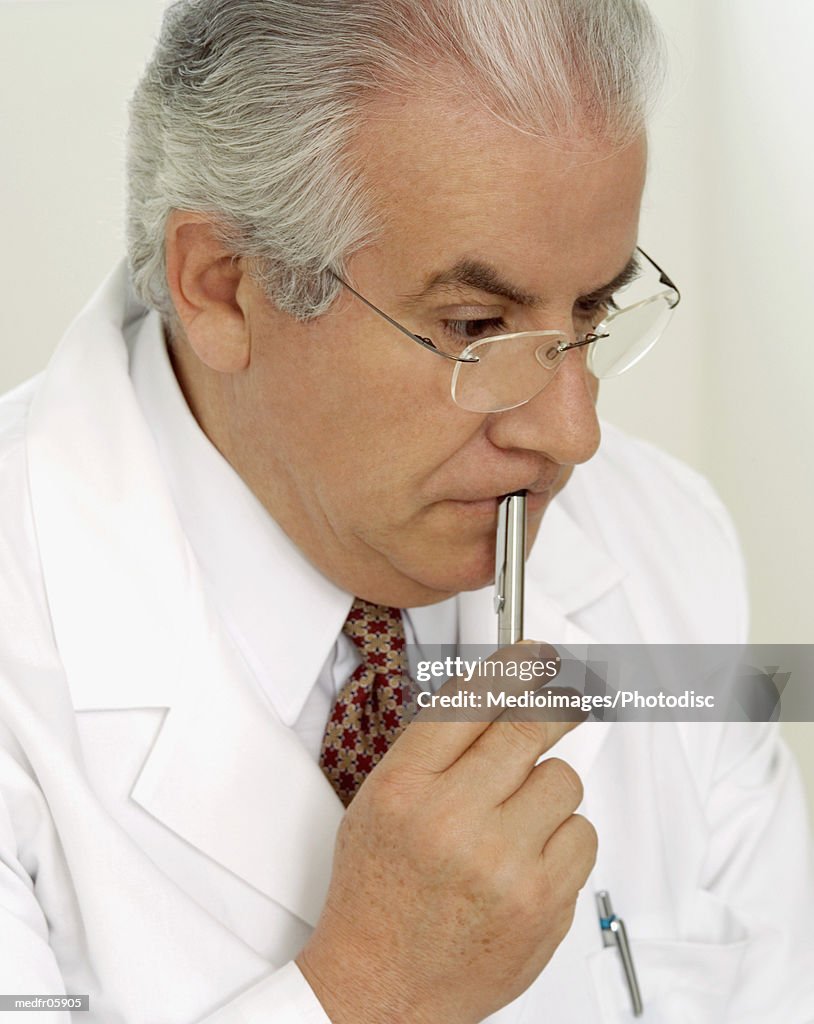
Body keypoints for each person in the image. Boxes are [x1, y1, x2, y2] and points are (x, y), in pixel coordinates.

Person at [0, 0, 812, 1021]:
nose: (572, 434)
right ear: (223, 285)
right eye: (476, 326)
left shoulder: (666, 542)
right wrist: (370, 992)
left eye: (593, 311)